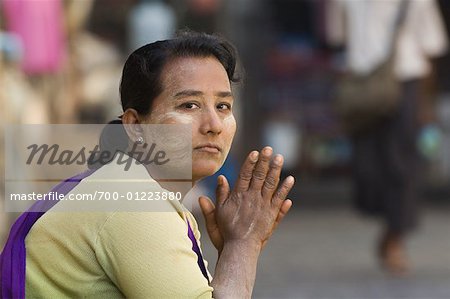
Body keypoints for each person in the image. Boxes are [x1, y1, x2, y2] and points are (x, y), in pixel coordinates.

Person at [0, 31, 295, 298]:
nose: (214, 125)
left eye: (223, 106)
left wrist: (238, 244)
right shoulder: (132, 203)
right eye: (189, 105)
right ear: (135, 125)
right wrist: (242, 244)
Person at [327, 0, 448, 274]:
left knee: (401, 164)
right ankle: (391, 227)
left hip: (404, 81)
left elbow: (430, 46)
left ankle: (395, 237)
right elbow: (338, 37)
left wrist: (424, 103)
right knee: (367, 165)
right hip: (363, 84)